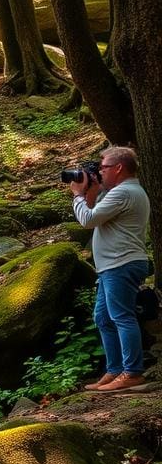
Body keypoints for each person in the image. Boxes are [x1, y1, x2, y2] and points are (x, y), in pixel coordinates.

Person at [71, 146, 150, 392]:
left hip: (121, 263)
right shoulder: (117, 192)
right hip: (111, 265)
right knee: (103, 318)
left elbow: (87, 220)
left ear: (118, 168)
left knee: (121, 317)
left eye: (103, 167)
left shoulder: (124, 192)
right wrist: (91, 191)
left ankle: (132, 372)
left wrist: (76, 195)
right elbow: (94, 212)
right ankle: (115, 369)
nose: (99, 171)